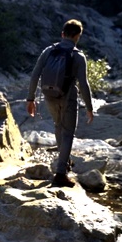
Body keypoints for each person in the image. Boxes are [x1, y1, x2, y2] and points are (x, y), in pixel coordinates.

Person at [26, 19, 94, 188]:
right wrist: (90, 108)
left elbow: (35, 75)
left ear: (62, 34)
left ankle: (64, 162)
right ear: (78, 36)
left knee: (58, 126)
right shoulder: (78, 56)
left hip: (49, 95)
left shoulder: (49, 51)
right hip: (68, 97)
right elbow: (83, 84)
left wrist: (30, 99)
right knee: (68, 132)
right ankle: (61, 174)